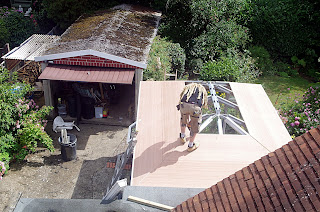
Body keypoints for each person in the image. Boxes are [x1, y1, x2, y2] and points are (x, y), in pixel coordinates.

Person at [177, 83, 208, 152]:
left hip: (184, 105)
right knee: (195, 125)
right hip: (195, 107)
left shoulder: (188, 87)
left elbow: (182, 97)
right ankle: (191, 145)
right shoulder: (201, 89)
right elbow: (202, 103)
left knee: (183, 119)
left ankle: (182, 136)